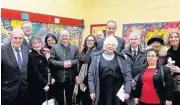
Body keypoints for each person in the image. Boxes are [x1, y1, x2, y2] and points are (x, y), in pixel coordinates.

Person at [88, 36, 132, 105]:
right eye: (108, 44)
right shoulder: (96, 58)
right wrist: (92, 91)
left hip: (118, 93)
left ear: (116, 47)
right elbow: (91, 75)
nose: (110, 46)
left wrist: (127, 91)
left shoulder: (121, 58)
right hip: (101, 92)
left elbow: (127, 75)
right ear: (105, 45)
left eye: (113, 45)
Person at [49, 30, 79, 105]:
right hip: (59, 77)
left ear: (69, 37)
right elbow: (51, 60)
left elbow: (78, 59)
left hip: (71, 77)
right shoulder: (54, 48)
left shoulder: (75, 48)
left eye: (66, 35)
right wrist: (62, 64)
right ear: (60, 37)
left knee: (69, 98)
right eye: (62, 36)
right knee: (59, 98)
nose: (64, 37)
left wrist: (71, 62)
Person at [1, 28, 29, 105]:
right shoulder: (2, 51)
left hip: (23, 90)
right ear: (11, 38)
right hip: (7, 92)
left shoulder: (25, 49)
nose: (18, 40)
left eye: (20, 38)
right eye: (15, 38)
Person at [122, 32, 146, 105]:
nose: (133, 41)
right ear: (129, 40)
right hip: (126, 82)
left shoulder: (145, 52)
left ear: (139, 40)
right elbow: (122, 68)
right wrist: (129, 80)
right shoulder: (123, 52)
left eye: (135, 39)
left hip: (141, 82)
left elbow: (145, 67)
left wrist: (136, 79)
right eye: (131, 39)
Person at [27, 36, 51, 105]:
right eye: (35, 43)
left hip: (45, 83)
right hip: (37, 86)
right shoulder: (31, 56)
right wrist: (44, 84)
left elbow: (46, 68)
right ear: (31, 45)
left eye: (39, 42)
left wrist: (51, 78)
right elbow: (35, 73)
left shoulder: (41, 53)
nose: (37, 44)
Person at [76, 35, 97, 105]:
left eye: (91, 40)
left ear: (94, 42)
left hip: (88, 80)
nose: (89, 42)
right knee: (82, 98)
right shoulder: (84, 51)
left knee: (87, 99)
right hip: (81, 78)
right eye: (88, 40)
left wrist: (82, 80)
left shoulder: (95, 52)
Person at [165, 29, 180, 105]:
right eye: (171, 37)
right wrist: (166, 67)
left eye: (176, 37)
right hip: (173, 83)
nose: (173, 39)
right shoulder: (169, 51)